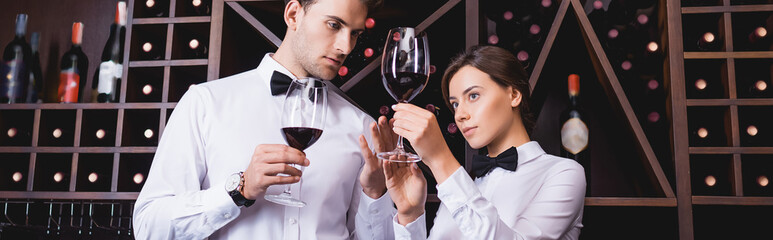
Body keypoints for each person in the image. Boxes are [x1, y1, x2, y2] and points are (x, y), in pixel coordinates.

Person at [133, 0, 398, 239]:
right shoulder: (206, 103)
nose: (346, 46)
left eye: (355, 34)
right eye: (333, 25)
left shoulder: (363, 127)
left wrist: (376, 195)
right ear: (294, 14)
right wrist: (239, 190)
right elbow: (148, 227)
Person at [360, 45, 586, 239]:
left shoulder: (564, 173)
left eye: (473, 96)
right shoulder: (463, 185)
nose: (459, 115)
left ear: (514, 95)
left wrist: (440, 160)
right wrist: (410, 214)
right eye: (455, 104)